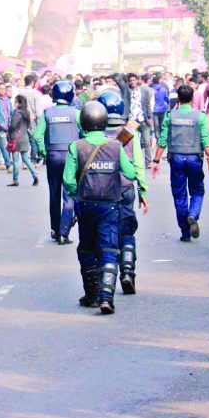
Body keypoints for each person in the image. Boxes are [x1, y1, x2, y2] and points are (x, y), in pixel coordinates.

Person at [62, 102, 136, 314]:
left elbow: (68, 180)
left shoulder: (76, 146)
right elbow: (130, 174)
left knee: (86, 248)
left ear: (83, 122)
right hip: (110, 207)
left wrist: (79, 190)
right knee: (109, 250)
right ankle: (106, 297)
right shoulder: (115, 146)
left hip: (86, 206)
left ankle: (92, 294)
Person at [96, 91, 148, 294]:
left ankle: (106, 278)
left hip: (101, 191)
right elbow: (138, 165)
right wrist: (143, 191)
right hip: (126, 188)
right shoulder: (130, 133)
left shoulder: (94, 134)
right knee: (127, 231)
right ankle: (128, 271)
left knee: (106, 233)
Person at [151, 85, 209, 242]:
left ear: (178, 98)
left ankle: (185, 232)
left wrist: (156, 160)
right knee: (197, 191)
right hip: (195, 159)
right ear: (193, 98)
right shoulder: (199, 117)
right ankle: (193, 214)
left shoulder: (170, 116)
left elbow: (163, 140)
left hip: (176, 159)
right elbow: (206, 141)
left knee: (179, 194)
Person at [35, 81, 81, 243]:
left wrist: (44, 151)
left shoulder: (48, 114)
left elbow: (37, 135)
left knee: (54, 195)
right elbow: (84, 133)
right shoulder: (76, 113)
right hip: (71, 157)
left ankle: (55, 230)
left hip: (53, 157)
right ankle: (64, 231)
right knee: (69, 194)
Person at [8, 95, 39, 186]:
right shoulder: (26, 113)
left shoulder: (16, 113)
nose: (14, 103)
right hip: (24, 137)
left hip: (16, 138)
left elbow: (13, 125)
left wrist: (8, 132)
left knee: (16, 160)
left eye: (16, 102)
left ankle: (15, 179)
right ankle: (35, 174)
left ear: (19, 103)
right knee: (26, 158)